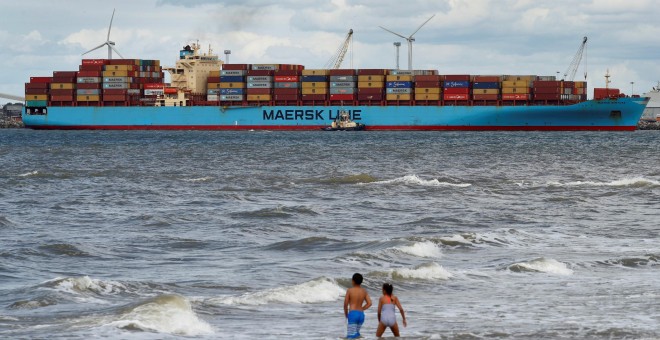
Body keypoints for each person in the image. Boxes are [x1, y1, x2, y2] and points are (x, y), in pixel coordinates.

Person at [343, 273, 372, 339]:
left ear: (353, 281)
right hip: (361, 315)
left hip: (353, 314)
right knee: (356, 335)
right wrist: (362, 309)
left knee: (351, 337)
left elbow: (345, 304)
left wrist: (346, 315)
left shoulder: (350, 290)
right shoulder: (364, 291)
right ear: (361, 281)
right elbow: (369, 303)